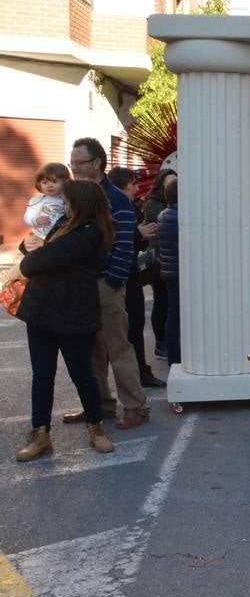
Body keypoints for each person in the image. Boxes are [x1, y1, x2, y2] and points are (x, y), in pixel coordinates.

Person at [16, 179, 118, 460]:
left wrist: (31, 257)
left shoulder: (89, 231)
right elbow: (34, 250)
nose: (62, 202)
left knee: (82, 374)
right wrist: (28, 247)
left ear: (80, 202)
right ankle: (40, 435)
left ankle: (96, 428)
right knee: (42, 375)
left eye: (66, 198)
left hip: (74, 313)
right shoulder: (64, 222)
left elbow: (37, 262)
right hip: (41, 311)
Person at [62, 138, 149, 430]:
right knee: (90, 349)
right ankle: (98, 406)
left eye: (79, 163)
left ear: (96, 163)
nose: (73, 168)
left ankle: (136, 407)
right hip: (81, 283)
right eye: (72, 163)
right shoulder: (75, 197)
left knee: (117, 346)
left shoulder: (118, 199)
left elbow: (125, 244)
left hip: (105, 283)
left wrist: (114, 281)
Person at [108, 167, 164, 389]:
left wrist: (141, 236)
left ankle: (141, 372)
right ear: (122, 186)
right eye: (133, 183)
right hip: (115, 278)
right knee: (119, 332)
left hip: (131, 276)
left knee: (135, 327)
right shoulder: (110, 208)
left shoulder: (133, 208)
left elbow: (139, 244)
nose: (137, 187)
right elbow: (108, 240)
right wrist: (136, 234)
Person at [142, 166, 175, 360]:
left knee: (169, 303)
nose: (172, 186)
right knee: (162, 302)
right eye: (169, 183)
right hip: (159, 260)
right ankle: (160, 343)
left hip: (170, 259)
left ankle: (167, 341)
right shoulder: (154, 205)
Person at [157, 175, 181, 365]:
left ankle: (173, 354)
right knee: (176, 316)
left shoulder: (163, 215)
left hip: (169, 271)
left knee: (172, 314)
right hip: (180, 272)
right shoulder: (180, 217)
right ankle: (175, 356)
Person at [25, 162, 68, 242]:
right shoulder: (38, 200)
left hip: (60, 238)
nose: (49, 186)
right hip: (40, 236)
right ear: (39, 184)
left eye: (54, 182)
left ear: (65, 182)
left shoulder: (69, 199)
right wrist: (36, 220)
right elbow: (27, 217)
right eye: (45, 182)